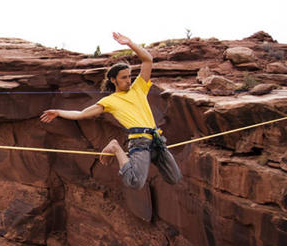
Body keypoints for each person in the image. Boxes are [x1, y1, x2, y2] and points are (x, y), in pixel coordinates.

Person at [40, 32, 182, 189]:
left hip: (157, 140)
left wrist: (130, 43)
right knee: (134, 182)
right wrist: (59, 112)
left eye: (129, 77)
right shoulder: (110, 101)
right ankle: (115, 146)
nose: (128, 80)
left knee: (174, 178)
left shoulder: (138, 88)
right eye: (124, 78)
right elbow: (82, 114)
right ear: (113, 80)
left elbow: (148, 59)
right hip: (139, 142)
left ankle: (145, 155)